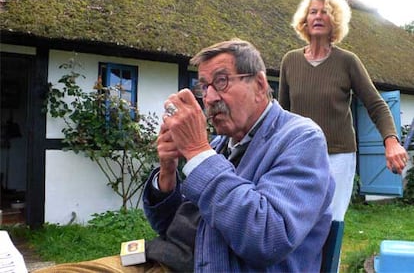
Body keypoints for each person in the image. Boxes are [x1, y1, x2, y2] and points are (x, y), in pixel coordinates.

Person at [34, 38, 334, 272]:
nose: (210, 98)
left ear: (258, 85)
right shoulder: (220, 146)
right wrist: (167, 171)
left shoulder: (300, 139)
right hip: (167, 261)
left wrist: (197, 152)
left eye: (221, 82)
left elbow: (267, 238)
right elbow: (172, 227)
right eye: (203, 87)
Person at [278, 0, 409, 222]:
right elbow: (282, 114)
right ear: (304, 20)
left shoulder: (348, 61)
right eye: (313, 12)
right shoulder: (290, 61)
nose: (318, 16)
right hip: (300, 154)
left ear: (335, 21)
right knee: (297, 219)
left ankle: (331, 259)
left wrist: (392, 141)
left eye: (325, 12)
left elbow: (376, 105)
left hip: (338, 155)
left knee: (331, 220)